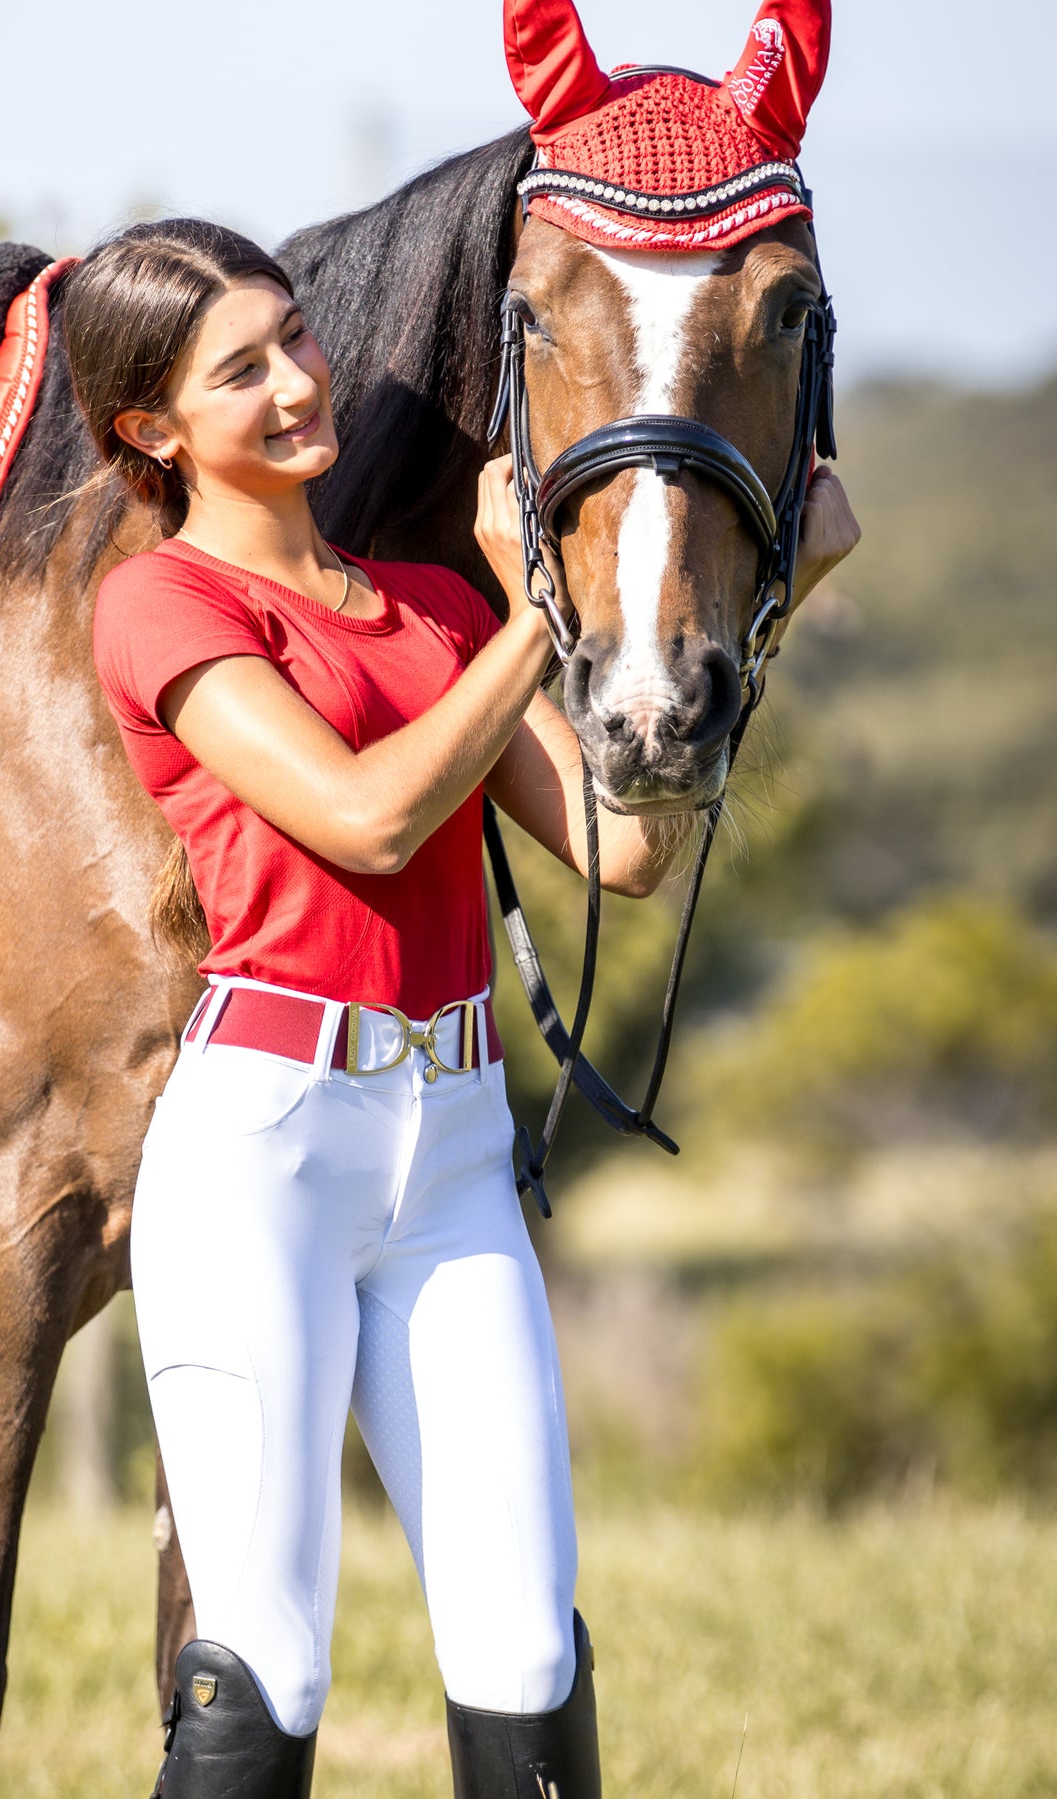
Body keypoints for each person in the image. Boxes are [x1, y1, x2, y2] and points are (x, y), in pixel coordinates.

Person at [81, 217, 858, 1798]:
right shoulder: (161, 606)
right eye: (244, 370)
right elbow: (364, 819)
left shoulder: (428, 600)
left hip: (449, 1150)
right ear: (150, 431)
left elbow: (620, 852)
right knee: (265, 1663)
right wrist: (530, 618)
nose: (302, 382)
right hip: (266, 1156)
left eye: (294, 338)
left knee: (524, 1654)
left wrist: (765, 605)